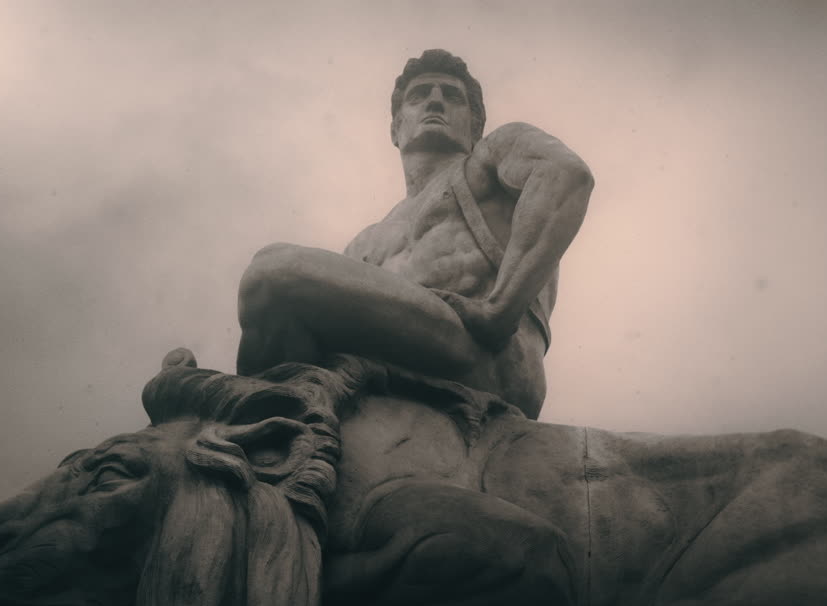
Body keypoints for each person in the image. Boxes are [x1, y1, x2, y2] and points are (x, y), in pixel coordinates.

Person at [237, 49, 593, 419]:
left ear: (475, 126)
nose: (435, 101)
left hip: (483, 355)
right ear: (396, 129)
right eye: (419, 95)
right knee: (276, 310)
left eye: (451, 96)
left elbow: (566, 175)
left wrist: (500, 310)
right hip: (400, 361)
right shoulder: (365, 242)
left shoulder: (491, 160)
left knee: (272, 272)